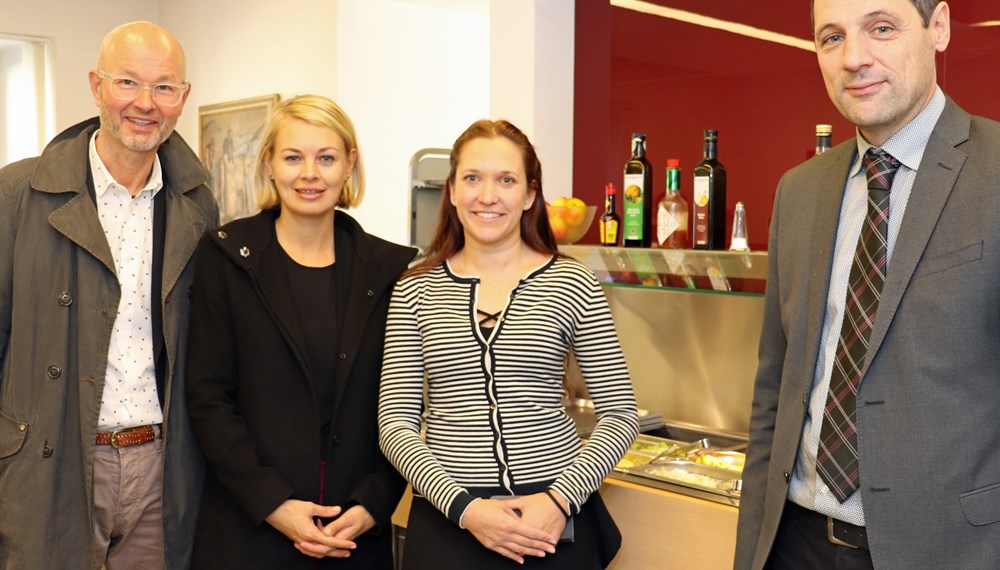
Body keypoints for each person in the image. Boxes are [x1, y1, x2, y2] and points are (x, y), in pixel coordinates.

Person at [735, 1, 1000, 568]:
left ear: (940, 28)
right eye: (831, 38)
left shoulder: (994, 170)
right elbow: (774, 390)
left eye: (881, 28)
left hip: (948, 546)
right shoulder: (799, 190)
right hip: (793, 540)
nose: (854, 58)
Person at [0, 20, 218, 569]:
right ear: (96, 86)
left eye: (164, 87)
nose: (146, 103)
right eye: (127, 83)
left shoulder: (198, 207)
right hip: (51, 460)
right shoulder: (17, 194)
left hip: (160, 468)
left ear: (183, 98)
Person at [378, 119, 639, 569]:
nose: (488, 195)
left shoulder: (572, 282)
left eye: (506, 180)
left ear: (530, 194)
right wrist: (467, 510)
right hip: (449, 528)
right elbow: (395, 424)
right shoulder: (415, 290)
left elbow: (620, 415)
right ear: (453, 190)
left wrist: (560, 500)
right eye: (473, 178)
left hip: (552, 527)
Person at [184, 94, 417, 569]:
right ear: (269, 164)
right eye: (293, 157)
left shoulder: (390, 270)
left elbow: (402, 403)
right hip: (249, 529)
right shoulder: (227, 257)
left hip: (354, 533)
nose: (309, 173)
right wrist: (272, 503)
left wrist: (374, 503)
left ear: (349, 164)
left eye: (326, 158)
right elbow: (208, 398)